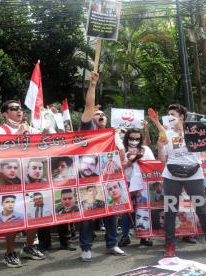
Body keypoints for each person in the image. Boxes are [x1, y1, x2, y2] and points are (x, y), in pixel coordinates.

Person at [152, 104, 206, 257]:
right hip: (171, 174)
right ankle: (169, 245)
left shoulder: (196, 131)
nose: (170, 117)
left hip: (194, 174)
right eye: (168, 114)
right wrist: (159, 146)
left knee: (202, 210)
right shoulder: (166, 134)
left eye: (173, 114)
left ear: (182, 117)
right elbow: (163, 160)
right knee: (170, 210)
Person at [77, 72, 125, 261]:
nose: (101, 115)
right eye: (97, 114)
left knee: (111, 214)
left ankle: (112, 244)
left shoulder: (112, 133)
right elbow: (89, 105)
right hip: (89, 180)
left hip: (110, 179)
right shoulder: (87, 130)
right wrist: (93, 85)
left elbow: (120, 156)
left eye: (103, 113)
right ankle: (86, 247)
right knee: (88, 215)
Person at [118, 128, 155, 247]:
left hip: (142, 184)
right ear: (127, 138)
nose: (134, 141)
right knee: (127, 211)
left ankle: (145, 236)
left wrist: (142, 161)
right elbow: (117, 168)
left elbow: (152, 166)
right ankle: (125, 235)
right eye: (131, 138)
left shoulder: (146, 149)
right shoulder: (122, 150)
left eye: (137, 139)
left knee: (143, 209)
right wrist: (130, 161)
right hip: (127, 183)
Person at [0, 195, 45, 268]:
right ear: (2, 203)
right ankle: (9, 254)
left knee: (33, 222)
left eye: (12, 202)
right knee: (11, 226)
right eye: (7, 202)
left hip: (22, 195)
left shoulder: (20, 215)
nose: (10, 204)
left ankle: (28, 248)